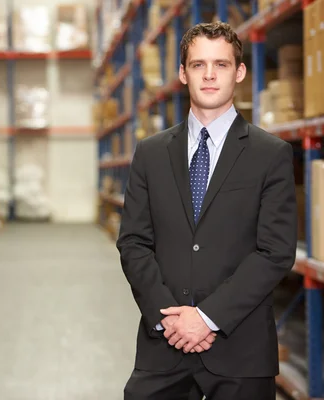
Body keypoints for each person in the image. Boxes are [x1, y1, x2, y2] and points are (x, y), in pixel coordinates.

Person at [116, 21, 298, 400]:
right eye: (198, 65)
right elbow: (133, 241)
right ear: (183, 74)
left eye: (222, 65)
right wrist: (174, 322)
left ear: (240, 72)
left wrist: (206, 317)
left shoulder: (271, 155)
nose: (210, 75)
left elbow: (275, 251)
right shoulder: (151, 153)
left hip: (240, 352)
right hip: (163, 345)